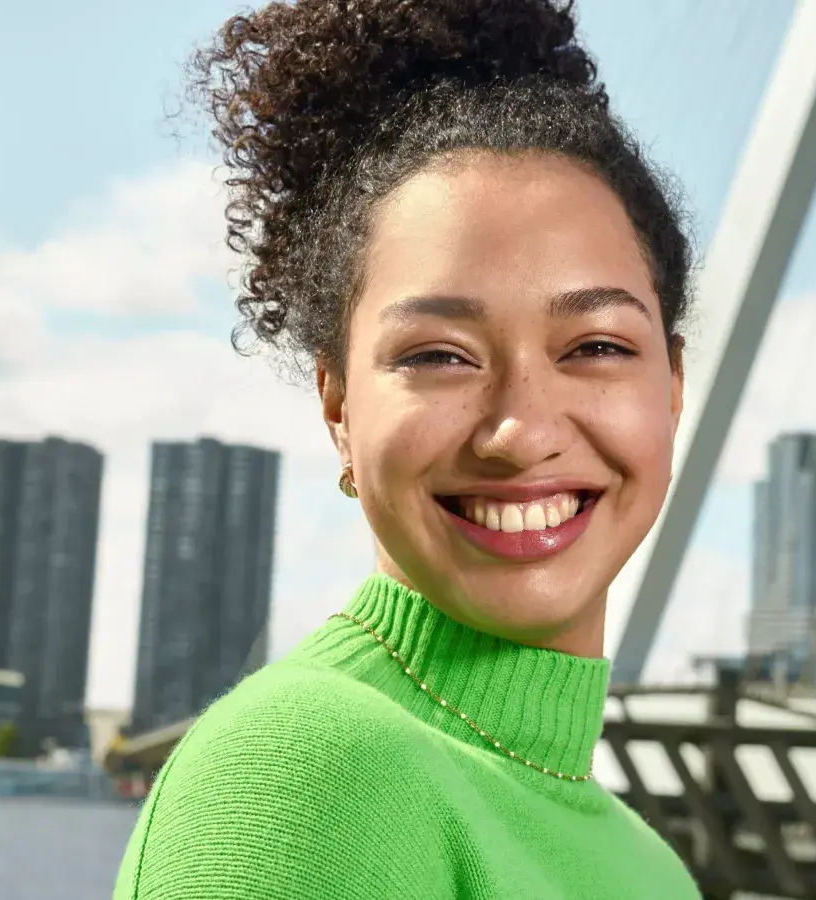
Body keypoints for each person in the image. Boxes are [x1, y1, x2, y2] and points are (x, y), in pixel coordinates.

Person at [113, 0, 701, 897]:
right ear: (339, 404)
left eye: (595, 347)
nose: (522, 431)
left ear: (672, 385)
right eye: (439, 356)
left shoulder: (652, 868)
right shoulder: (300, 777)